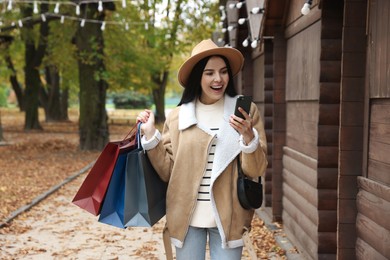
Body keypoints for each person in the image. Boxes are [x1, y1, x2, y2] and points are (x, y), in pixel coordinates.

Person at [136, 39, 268, 260]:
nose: (218, 79)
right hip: (186, 217)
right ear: (198, 76)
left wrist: (248, 136)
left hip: (230, 217)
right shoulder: (179, 116)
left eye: (224, 72)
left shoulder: (244, 111)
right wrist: (150, 136)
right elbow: (169, 172)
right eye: (209, 73)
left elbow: (256, 170)